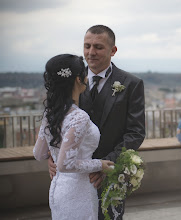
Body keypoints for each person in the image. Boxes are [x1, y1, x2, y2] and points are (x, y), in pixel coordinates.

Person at [48, 25, 145, 220]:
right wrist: (53, 156)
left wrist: (106, 167)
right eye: (87, 46)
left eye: (98, 47)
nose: (91, 53)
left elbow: (135, 132)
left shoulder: (131, 84)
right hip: (73, 179)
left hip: (110, 176)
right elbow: (53, 121)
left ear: (113, 50)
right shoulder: (69, 80)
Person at [33, 54, 115, 219]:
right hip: (79, 191)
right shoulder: (79, 117)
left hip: (58, 188)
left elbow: (39, 153)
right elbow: (65, 164)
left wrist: (54, 155)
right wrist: (100, 164)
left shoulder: (51, 113)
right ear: (79, 79)